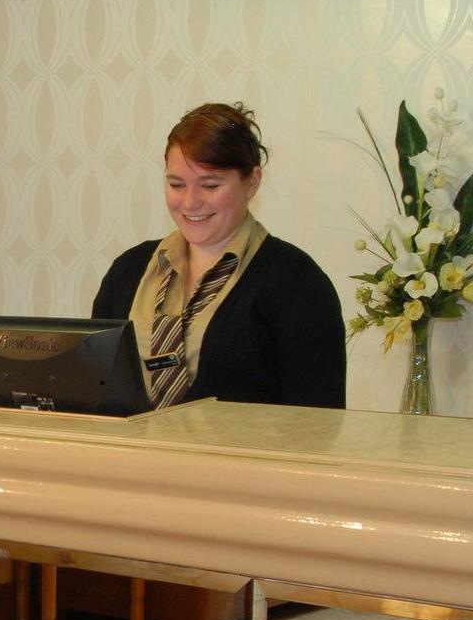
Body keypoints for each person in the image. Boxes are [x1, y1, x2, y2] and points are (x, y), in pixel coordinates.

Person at [91, 102, 345, 409]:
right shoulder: (128, 270)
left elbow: (318, 424)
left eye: (210, 185)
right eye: (176, 184)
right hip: (133, 458)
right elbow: (96, 393)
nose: (190, 202)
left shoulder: (297, 283)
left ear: (252, 181)